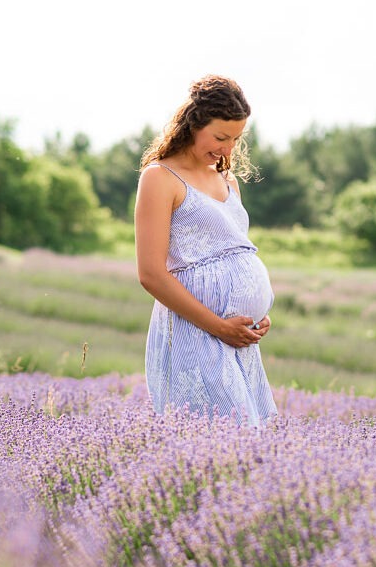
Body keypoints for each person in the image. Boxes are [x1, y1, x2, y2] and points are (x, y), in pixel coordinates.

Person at [134, 74, 278, 426]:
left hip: (238, 343)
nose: (228, 149)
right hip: (196, 334)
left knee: (251, 446)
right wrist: (218, 326)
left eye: (236, 139)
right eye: (220, 137)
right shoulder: (160, 177)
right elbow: (151, 274)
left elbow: (235, 253)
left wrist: (256, 315)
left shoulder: (226, 179)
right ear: (193, 124)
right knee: (223, 440)